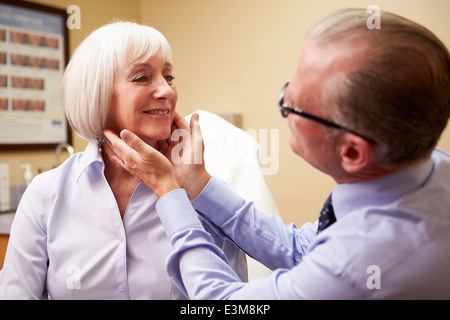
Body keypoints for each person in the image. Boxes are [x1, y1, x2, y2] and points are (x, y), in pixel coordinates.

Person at [104, 9, 450, 299]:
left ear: (351, 152)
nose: (283, 103)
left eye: (294, 104)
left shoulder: (360, 264)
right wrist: (196, 184)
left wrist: (170, 193)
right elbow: (303, 249)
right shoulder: (427, 164)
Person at [0, 21, 247, 300]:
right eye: (142, 77)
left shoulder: (204, 199)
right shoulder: (45, 195)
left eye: (168, 76)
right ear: (97, 95)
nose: (166, 90)